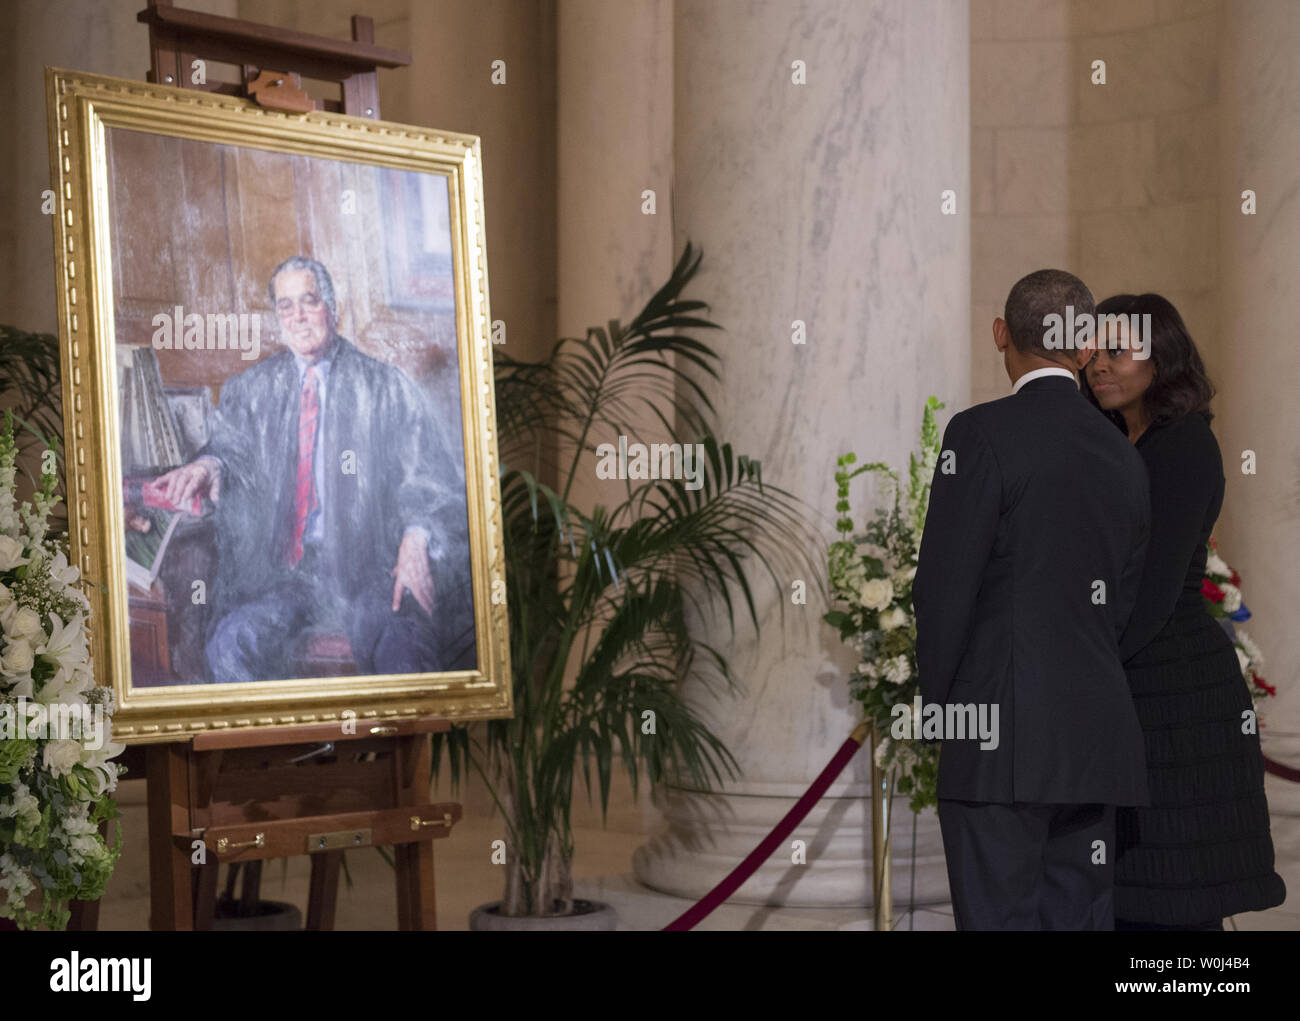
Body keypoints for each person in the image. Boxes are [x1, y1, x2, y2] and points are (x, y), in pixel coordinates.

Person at [913, 269, 1151, 930]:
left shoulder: (977, 435)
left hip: (996, 746)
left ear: (1000, 335)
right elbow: (1122, 607)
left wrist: (943, 717)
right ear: (1083, 349)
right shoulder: (1124, 453)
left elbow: (943, 591)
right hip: (1095, 738)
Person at [152, 255, 474, 682]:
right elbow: (230, 450)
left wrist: (417, 537)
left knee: (406, 653)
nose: (299, 316)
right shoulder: (250, 390)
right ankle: (264, 749)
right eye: (286, 306)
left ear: (332, 308)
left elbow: (430, 481)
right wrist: (209, 466)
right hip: (284, 577)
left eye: (310, 301)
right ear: (276, 317)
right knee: (230, 643)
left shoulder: (384, 387)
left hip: (367, 573)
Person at [1081, 293, 1286, 930]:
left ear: (1160, 358)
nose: (1099, 367)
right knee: (1135, 898)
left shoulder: (1185, 446)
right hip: (1135, 682)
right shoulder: (1118, 442)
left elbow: (1154, 589)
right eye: (1092, 354)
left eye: (1118, 352)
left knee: (1175, 902)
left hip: (1177, 691)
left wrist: (1084, 666)